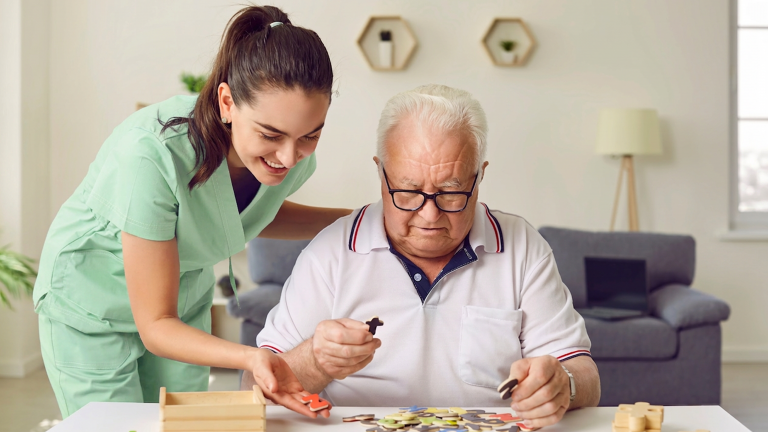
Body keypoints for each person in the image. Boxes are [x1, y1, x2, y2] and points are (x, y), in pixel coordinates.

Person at [33, 5, 349, 419]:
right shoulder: (152, 155)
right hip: (91, 302)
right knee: (117, 426)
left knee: (183, 424)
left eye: (310, 134)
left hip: (181, 302)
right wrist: (252, 358)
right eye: (270, 134)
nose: (289, 156)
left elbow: (251, 213)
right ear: (227, 102)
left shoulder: (290, 158)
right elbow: (156, 323)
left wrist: (361, 219)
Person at [249, 84, 601, 429]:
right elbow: (252, 389)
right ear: (380, 173)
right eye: (408, 190)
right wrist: (315, 361)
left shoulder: (523, 247)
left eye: (451, 192)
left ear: (479, 177)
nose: (429, 216)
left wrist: (563, 384)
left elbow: (585, 376)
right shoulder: (330, 252)